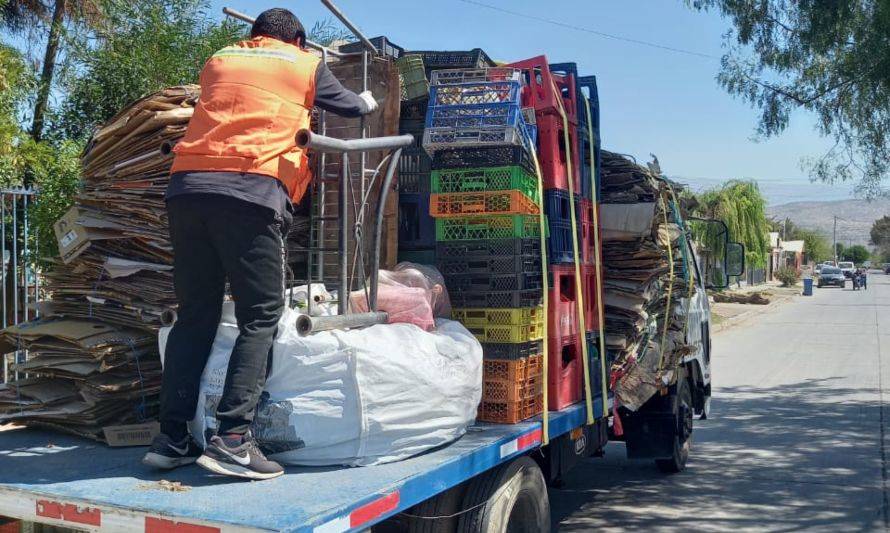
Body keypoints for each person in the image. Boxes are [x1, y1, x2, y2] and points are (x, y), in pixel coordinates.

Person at [142, 8, 377, 480]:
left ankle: (171, 438)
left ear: (254, 36)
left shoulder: (219, 59)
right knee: (261, 314)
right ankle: (232, 439)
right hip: (249, 193)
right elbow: (350, 107)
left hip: (187, 192)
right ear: (298, 40)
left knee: (195, 316)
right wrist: (369, 101)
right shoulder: (302, 63)